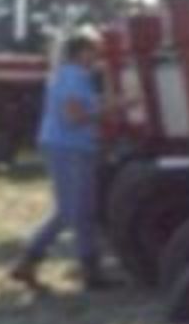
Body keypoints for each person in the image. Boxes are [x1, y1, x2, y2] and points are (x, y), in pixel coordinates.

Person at [10, 31, 115, 291]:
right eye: (93, 51)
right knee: (73, 212)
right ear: (81, 53)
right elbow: (74, 116)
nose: (97, 56)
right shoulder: (73, 77)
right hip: (69, 148)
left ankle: (85, 270)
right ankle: (31, 259)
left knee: (78, 211)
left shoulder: (72, 76)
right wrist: (116, 107)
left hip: (71, 147)